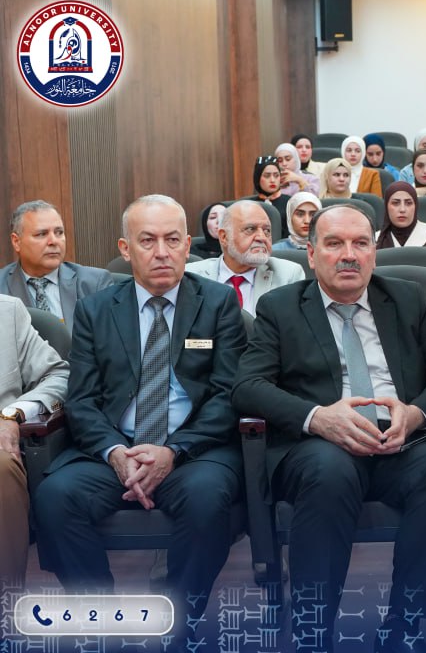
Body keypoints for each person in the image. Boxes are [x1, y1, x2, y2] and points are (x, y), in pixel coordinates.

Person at [232, 203, 426, 653]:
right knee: (330, 472)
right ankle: (313, 631)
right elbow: (248, 386)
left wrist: (415, 413)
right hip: (319, 445)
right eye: (334, 243)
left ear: (374, 252)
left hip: (399, 441)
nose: (349, 255)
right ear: (311, 253)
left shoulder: (407, 299)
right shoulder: (280, 307)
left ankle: (404, 625)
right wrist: (318, 417)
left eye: (360, 243)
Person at [35, 195, 246, 648]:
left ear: (188, 245)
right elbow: (82, 400)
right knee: (55, 498)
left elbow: (227, 393)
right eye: (147, 241)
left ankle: (177, 625)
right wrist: (115, 452)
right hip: (116, 448)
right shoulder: (95, 310)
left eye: (172, 239)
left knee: (208, 499)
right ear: (125, 248)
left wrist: (174, 450)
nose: (162, 252)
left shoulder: (218, 303)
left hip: (193, 451)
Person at [0, 294, 69, 589]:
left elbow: (58, 375)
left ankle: (6, 601)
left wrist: (12, 414)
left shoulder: (7, 311)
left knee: (2, 468)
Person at [2, 200, 114, 326]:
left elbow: (109, 335)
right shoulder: (2, 287)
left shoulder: (95, 284)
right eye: (41, 234)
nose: (54, 241)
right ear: (16, 242)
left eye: (59, 232)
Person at [186, 200, 306, 316]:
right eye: (250, 229)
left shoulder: (289, 276)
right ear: (224, 237)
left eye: (267, 231)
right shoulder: (191, 276)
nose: (262, 237)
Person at [376, 181, 426, 252]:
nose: (402, 209)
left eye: (408, 203)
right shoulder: (374, 240)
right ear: (386, 207)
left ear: (416, 206)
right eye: (395, 203)